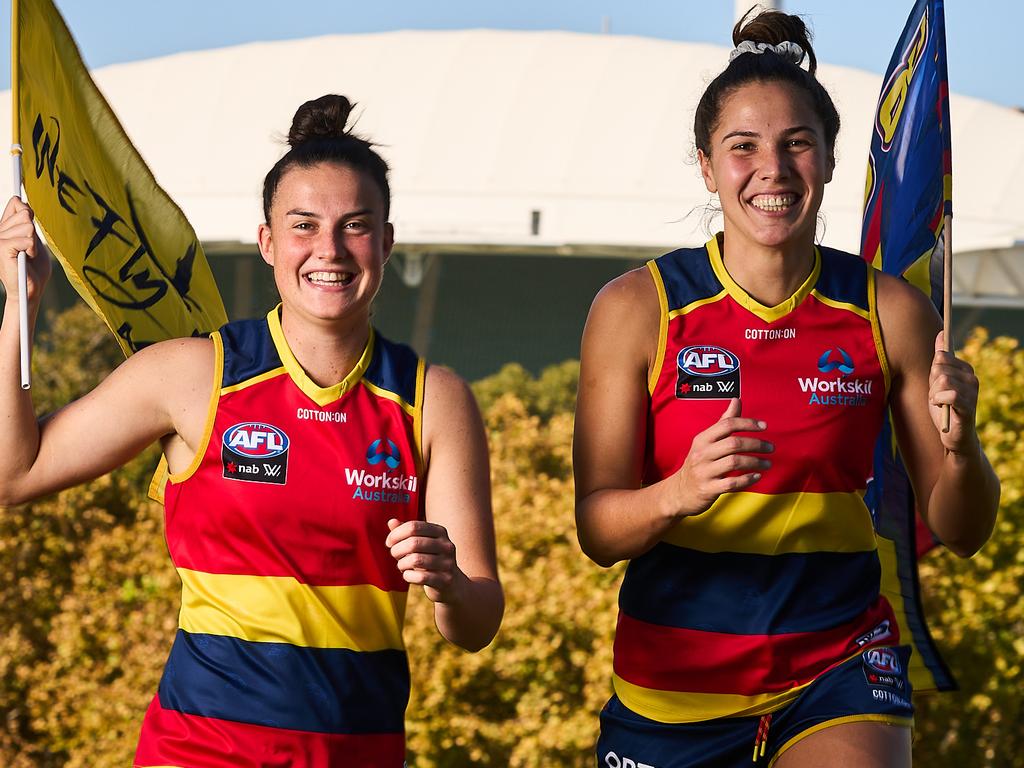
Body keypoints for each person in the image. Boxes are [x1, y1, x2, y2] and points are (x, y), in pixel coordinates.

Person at [0, 94, 503, 767]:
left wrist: (448, 582)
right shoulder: (192, 375)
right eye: (303, 225)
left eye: (354, 225)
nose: (328, 249)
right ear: (267, 242)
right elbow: (14, 473)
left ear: (384, 242)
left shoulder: (432, 399)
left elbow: (476, 622)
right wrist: (18, 309)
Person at [573, 10, 998, 768]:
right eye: (743, 147)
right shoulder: (636, 308)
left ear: (830, 159)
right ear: (707, 165)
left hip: (838, 666)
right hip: (673, 690)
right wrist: (678, 491)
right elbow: (599, 531)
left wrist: (963, 449)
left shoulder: (891, 311)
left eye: (797, 143)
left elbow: (962, 531)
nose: (772, 168)